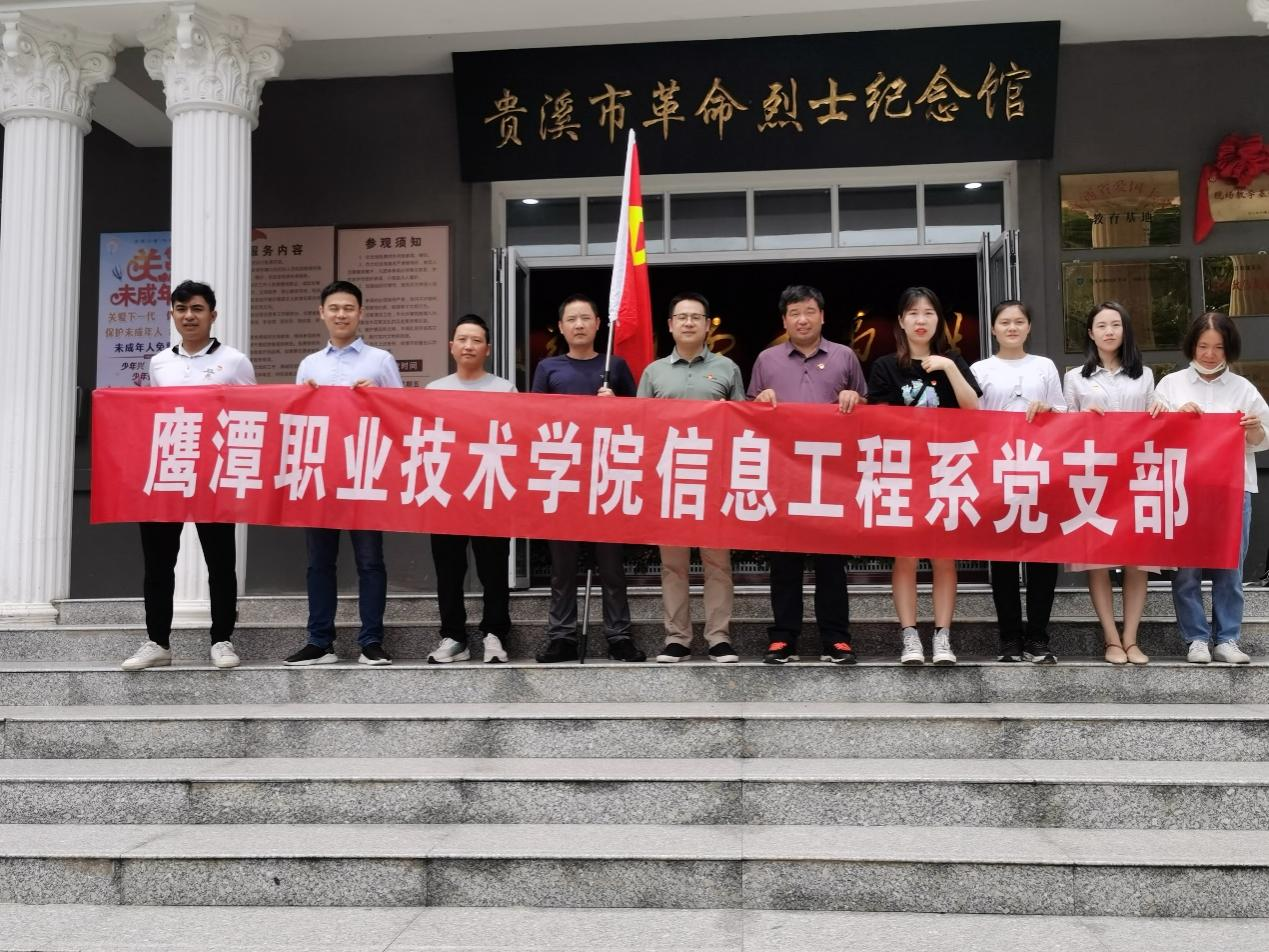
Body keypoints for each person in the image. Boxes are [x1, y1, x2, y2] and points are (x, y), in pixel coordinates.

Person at [122, 280, 256, 671]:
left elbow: (252, 413)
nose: (189, 316)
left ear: (213, 315)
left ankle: (222, 639)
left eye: (197, 309)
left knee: (220, 560)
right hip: (168, 469)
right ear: (172, 315)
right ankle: (157, 642)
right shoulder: (160, 363)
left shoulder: (234, 361)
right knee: (158, 561)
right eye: (181, 309)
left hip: (213, 474)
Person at [284, 280, 402, 667]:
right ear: (321, 313)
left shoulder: (381, 361)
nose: (341, 314)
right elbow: (295, 421)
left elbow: (402, 415)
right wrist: (304, 397)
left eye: (348, 308)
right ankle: (320, 641)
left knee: (370, 561)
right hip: (319, 473)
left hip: (364, 471)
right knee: (319, 562)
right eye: (333, 308)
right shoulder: (309, 365)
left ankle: (371, 641)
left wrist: (378, 396)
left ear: (361, 313)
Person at [749, 284, 866, 665]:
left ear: (822, 316)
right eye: (795, 313)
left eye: (810, 311)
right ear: (784, 320)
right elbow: (748, 415)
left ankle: (836, 638)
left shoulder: (844, 356)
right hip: (783, 475)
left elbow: (868, 409)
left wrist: (855, 399)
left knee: (832, 561)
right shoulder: (766, 360)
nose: (803, 319)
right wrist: (760, 402)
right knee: (784, 561)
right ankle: (784, 637)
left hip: (831, 475)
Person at [867, 286, 981, 666]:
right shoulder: (885, 366)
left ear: (939, 320)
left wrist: (948, 367)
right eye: (913, 313)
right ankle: (910, 636)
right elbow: (879, 420)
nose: (921, 320)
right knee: (906, 556)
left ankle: (942, 636)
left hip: (947, 468)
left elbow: (973, 408)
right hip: (903, 470)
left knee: (944, 556)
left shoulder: (954, 361)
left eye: (929, 313)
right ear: (901, 321)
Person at [532, 294, 644, 663]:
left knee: (611, 565)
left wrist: (616, 405)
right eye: (571, 319)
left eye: (585, 318)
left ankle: (619, 636)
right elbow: (532, 419)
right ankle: (561, 637)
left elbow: (641, 420)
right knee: (562, 567)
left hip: (606, 475)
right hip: (563, 475)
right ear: (560, 327)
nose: (579, 325)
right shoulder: (548, 368)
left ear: (598, 324)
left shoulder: (616, 366)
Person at [1154, 311, 1269, 664]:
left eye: (1218, 347)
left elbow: (1261, 439)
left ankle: (1228, 638)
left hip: (1233, 489)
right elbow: (1153, 434)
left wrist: (1253, 428)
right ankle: (1196, 638)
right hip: (1184, 488)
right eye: (1203, 346)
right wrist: (1176, 418)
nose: (1209, 354)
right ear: (1192, 345)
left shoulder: (1243, 389)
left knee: (1230, 567)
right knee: (1186, 568)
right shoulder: (1171, 385)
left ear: (1228, 349)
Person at [637, 292, 746, 663]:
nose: (688, 323)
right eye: (681, 317)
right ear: (670, 325)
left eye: (695, 317)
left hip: (714, 479)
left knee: (717, 563)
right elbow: (640, 425)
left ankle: (718, 637)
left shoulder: (727, 369)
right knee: (673, 565)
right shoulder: (653, 372)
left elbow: (742, 425)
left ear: (707, 325)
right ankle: (677, 638)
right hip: (669, 479)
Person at [970, 299, 1066, 665]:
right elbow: (971, 420)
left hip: (1041, 470)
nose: (1012, 327)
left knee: (1044, 557)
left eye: (1019, 321)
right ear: (993, 328)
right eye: (1005, 322)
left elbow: (1064, 413)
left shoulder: (1044, 366)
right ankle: (1009, 638)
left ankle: (1038, 637)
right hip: (997, 472)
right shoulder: (980, 369)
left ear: (1029, 327)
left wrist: (1048, 410)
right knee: (1003, 561)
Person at [1062, 301, 1157, 666]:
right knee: (1097, 560)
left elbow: (1156, 422)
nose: (1109, 331)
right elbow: (1063, 429)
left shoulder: (1145, 376)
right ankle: (1111, 638)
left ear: (1125, 329)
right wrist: (1081, 418)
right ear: (1091, 333)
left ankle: (1131, 638)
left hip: (1135, 474)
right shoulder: (1075, 377)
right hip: (1093, 475)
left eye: (1115, 324)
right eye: (1101, 325)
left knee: (1137, 559)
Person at [426, 315, 517, 664]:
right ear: (451, 346)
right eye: (462, 339)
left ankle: (495, 633)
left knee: (493, 568)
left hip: (490, 490)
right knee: (448, 569)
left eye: (476, 340)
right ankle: (453, 636)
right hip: (446, 492)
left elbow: (516, 438)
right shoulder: (435, 390)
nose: (468, 346)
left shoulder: (505, 389)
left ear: (487, 349)